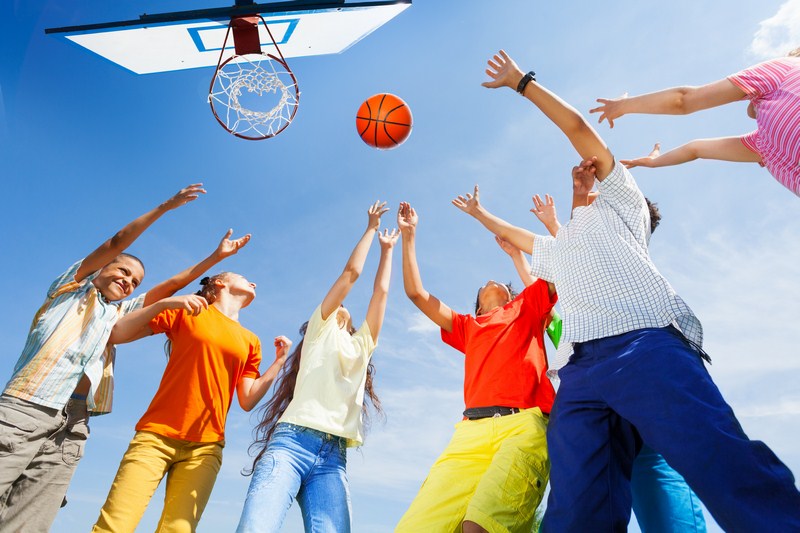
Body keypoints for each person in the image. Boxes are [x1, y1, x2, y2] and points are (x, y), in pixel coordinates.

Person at [473, 49, 800, 531]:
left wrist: (523, 83)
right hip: (579, 375)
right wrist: (481, 215)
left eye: (592, 179)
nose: (584, 179)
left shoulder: (624, 207)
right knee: (576, 509)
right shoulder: (562, 248)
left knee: (720, 461)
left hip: (643, 344)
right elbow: (518, 238)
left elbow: (580, 130)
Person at [0, 184, 249, 531]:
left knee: (30, 521)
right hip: (29, 406)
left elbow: (172, 286)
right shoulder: (70, 289)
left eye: (134, 282)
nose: (128, 281)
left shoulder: (119, 313)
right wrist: (165, 207)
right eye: (122, 272)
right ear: (100, 270)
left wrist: (215, 259)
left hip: (75, 423)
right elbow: (116, 243)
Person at [528, 189, 706, 532]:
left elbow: (581, 250)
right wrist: (554, 223)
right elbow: (574, 256)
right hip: (604, 408)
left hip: (643, 379)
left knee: (664, 498)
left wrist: (558, 219)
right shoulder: (573, 327)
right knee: (597, 499)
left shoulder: (625, 257)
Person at [395, 201, 556, 533]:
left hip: (522, 425)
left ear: (511, 294)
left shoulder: (526, 307)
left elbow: (557, 269)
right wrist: (409, 236)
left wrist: (514, 251)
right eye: (483, 286)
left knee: (479, 527)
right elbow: (416, 293)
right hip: (469, 432)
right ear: (478, 304)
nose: (491, 281)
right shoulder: (469, 327)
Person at [236, 201, 396, 533]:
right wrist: (369, 228)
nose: (342, 307)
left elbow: (380, 293)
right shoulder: (318, 329)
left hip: (333, 459)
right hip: (290, 444)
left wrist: (388, 249)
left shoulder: (362, 344)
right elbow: (350, 275)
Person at [91, 268, 286, 533]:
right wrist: (164, 303)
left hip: (205, 448)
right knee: (115, 525)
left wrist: (279, 362)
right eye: (242, 277)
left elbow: (248, 399)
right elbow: (117, 334)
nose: (253, 281)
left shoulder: (251, 341)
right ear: (220, 283)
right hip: (156, 437)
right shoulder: (189, 311)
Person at [589, 47, 800, 196]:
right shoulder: (763, 146)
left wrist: (624, 106)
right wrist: (654, 162)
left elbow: (684, 101)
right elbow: (695, 149)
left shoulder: (786, 67)